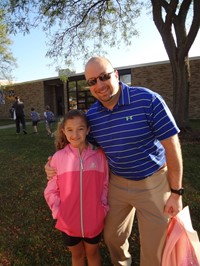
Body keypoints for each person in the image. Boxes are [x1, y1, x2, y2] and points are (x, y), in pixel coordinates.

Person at [45, 56, 183, 266]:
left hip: (153, 182)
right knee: (111, 237)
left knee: (154, 249)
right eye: (92, 81)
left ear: (116, 75)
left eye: (104, 77)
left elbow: (172, 148)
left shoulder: (148, 100)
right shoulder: (93, 116)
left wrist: (176, 192)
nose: (99, 85)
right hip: (116, 182)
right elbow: (78, 145)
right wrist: (52, 163)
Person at [44, 109, 109, 266]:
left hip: (94, 219)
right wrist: (59, 212)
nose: (75, 134)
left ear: (88, 130)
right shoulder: (58, 158)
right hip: (68, 222)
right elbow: (51, 190)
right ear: (63, 131)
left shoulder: (99, 156)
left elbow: (105, 185)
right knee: (77, 256)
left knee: (93, 254)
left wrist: (102, 208)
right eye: (70, 130)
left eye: (80, 129)